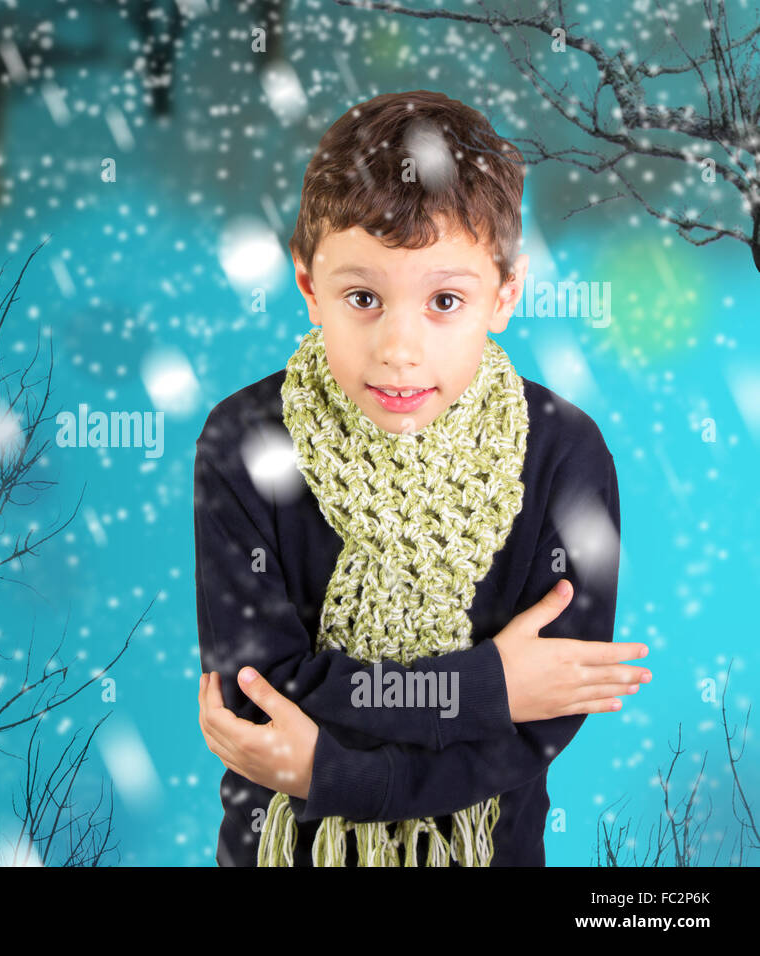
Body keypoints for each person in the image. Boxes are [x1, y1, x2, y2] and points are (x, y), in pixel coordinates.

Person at [193, 89, 650, 867]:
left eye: (444, 300)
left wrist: (331, 773)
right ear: (308, 284)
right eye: (363, 297)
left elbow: (542, 721)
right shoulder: (245, 444)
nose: (399, 348)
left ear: (505, 292)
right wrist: (485, 688)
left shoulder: (564, 457)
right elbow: (260, 694)